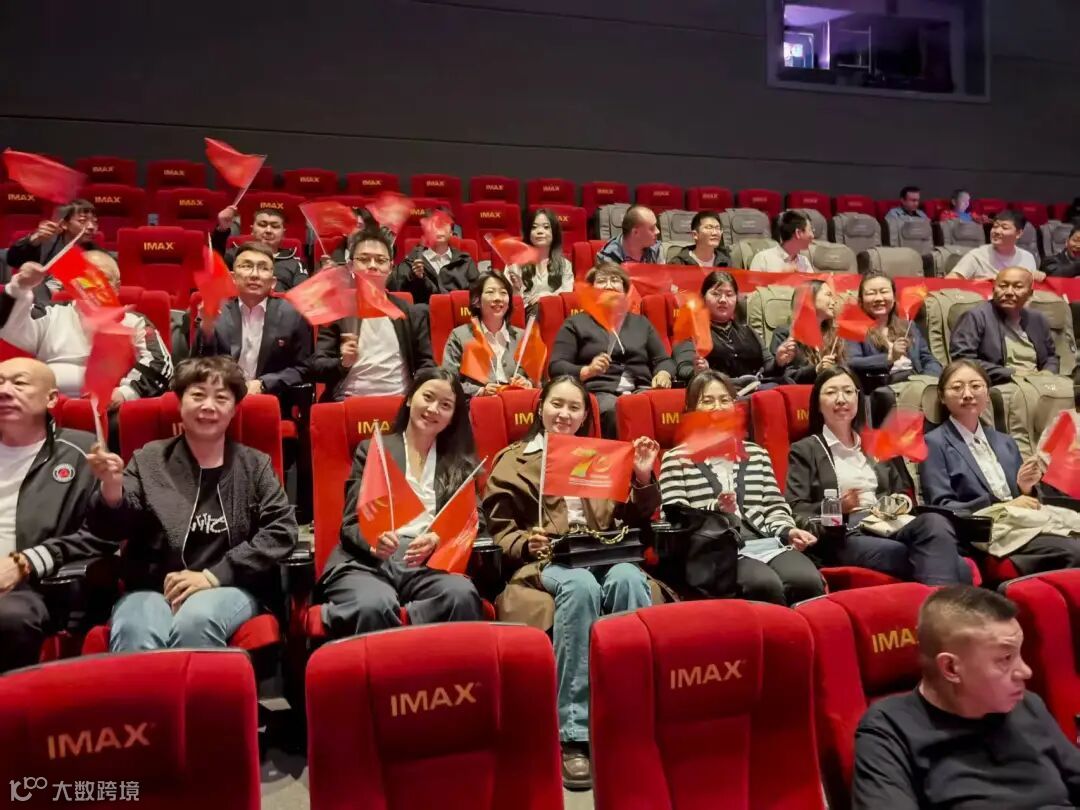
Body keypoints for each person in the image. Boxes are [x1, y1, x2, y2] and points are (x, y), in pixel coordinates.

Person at [483, 375, 661, 790]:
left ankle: (631, 720)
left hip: (605, 554)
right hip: (550, 562)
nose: (564, 414)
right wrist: (526, 542)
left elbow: (636, 518)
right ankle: (575, 734)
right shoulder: (513, 460)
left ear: (585, 416)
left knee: (629, 579)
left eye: (574, 408)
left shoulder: (603, 456)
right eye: (556, 405)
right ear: (540, 407)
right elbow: (500, 530)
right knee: (580, 585)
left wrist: (641, 477)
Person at [84, 357, 297, 651]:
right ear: (180, 402)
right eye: (197, 395)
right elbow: (112, 528)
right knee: (135, 628)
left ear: (234, 409)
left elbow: (282, 531)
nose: (208, 406)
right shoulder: (149, 459)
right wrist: (111, 488)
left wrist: (213, 576)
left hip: (229, 586)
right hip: (154, 589)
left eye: (221, 398)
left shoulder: (254, 465)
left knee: (196, 620)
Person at [853, 585, 1080, 809]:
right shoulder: (889, 728)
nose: (1026, 671)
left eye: (1019, 654)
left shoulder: (1027, 703)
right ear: (951, 668)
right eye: (1005, 658)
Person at [317, 368, 484, 637]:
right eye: (427, 397)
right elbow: (350, 524)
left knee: (461, 595)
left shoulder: (458, 463)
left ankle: (434, 665)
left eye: (445, 405)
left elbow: (475, 519)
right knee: (374, 605)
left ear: (453, 416)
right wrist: (374, 540)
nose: (433, 409)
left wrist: (438, 538)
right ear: (409, 399)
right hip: (367, 563)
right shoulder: (374, 449)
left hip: (426, 564)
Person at [786, 366, 971, 585]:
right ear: (818, 403)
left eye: (848, 391)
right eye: (831, 392)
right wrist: (837, 507)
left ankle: (939, 603)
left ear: (858, 398)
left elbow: (902, 492)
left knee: (934, 522)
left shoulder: (876, 442)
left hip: (888, 523)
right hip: (845, 534)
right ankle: (945, 604)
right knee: (954, 566)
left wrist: (898, 502)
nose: (841, 399)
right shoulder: (805, 450)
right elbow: (797, 509)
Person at [659, 371, 824, 604]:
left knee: (806, 580)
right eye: (707, 401)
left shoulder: (756, 453)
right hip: (717, 551)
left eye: (724, 400)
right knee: (764, 585)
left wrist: (788, 530)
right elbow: (674, 516)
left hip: (765, 541)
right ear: (691, 409)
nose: (717, 407)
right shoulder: (676, 459)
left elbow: (774, 505)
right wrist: (715, 508)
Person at [0, 358, 111, 673]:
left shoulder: (83, 452)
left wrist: (25, 562)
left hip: (30, 588)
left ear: (51, 398)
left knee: (9, 618)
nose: (4, 390)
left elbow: (100, 536)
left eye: (19, 383)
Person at [920, 359, 1080, 574]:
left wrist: (1025, 488)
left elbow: (1023, 499)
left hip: (1022, 523)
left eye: (976, 386)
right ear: (942, 396)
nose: (967, 394)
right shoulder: (933, 443)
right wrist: (1003, 506)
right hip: (986, 532)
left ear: (987, 394)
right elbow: (941, 505)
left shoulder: (1005, 441)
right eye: (957, 388)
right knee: (1074, 551)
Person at [0, 252, 173, 403]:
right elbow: (6, 324)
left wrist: (126, 393)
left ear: (116, 288)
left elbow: (161, 363)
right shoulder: (51, 313)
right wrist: (19, 286)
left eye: (102, 278)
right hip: (47, 405)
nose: (93, 284)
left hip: (109, 408)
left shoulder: (134, 322)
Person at [309, 227, 435, 402]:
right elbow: (316, 367)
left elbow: (426, 366)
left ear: (390, 267)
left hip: (399, 403)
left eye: (381, 260)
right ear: (351, 266)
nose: (373, 265)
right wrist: (342, 362)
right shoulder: (338, 312)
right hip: (348, 403)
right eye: (364, 259)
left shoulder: (410, 313)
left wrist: (416, 395)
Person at [549, 263, 674, 437]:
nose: (609, 285)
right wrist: (587, 370)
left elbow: (663, 360)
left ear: (624, 290)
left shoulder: (641, 323)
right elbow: (556, 366)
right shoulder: (576, 323)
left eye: (615, 280)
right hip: (600, 392)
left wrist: (663, 373)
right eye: (601, 281)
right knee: (616, 411)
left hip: (643, 390)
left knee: (668, 407)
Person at [194, 242, 312, 412]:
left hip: (273, 403)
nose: (255, 274)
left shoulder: (292, 315)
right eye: (247, 266)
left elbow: (303, 369)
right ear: (233, 278)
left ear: (273, 282)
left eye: (263, 268)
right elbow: (197, 365)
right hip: (220, 402)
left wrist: (264, 384)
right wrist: (206, 329)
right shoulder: (216, 312)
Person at [950, 267, 1058, 385]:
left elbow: (1051, 357)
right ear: (993, 289)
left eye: (1017, 287)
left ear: (1030, 293)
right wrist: (1012, 373)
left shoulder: (1037, 319)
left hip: (1040, 382)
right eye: (1003, 286)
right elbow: (964, 360)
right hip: (1001, 383)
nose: (1009, 292)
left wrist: (1048, 373)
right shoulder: (975, 317)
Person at [673, 271, 781, 388]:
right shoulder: (691, 331)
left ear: (736, 299)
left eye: (729, 295)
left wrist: (779, 360)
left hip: (757, 388)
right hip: (716, 391)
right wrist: (699, 371)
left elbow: (768, 365)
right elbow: (683, 369)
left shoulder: (748, 331)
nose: (723, 300)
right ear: (703, 298)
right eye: (716, 294)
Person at [845, 272, 941, 391]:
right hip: (881, 390)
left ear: (894, 297)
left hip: (916, 386)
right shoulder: (853, 330)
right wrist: (890, 357)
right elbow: (852, 362)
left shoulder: (908, 326)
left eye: (884, 292)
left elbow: (928, 359)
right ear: (861, 300)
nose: (879, 298)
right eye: (871, 293)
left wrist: (927, 381)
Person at [441, 272, 532, 396]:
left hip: (516, 403)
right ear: (477, 301)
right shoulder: (460, 336)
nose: (498, 298)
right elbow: (448, 383)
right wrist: (479, 391)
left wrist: (528, 383)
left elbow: (538, 379)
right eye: (490, 292)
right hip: (477, 405)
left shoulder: (523, 337)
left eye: (503, 293)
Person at [6, 199, 100, 299]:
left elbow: (93, 285)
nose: (91, 227)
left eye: (94, 222)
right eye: (82, 221)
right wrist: (34, 240)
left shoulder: (94, 252)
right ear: (64, 224)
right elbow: (12, 260)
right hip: (34, 300)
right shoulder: (44, 241)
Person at [387, 207, 479, 305]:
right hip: (424, 313)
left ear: (451, 232)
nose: (439, 228)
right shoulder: (412, 262)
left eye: (443, 223)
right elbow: (397, 294)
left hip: (458, 313)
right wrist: (414, 278)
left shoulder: (465, 262)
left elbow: (477, 296)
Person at [213, 205, 307, 291]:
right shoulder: (234, 255)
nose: (268, 230)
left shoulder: (295, 264)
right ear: (252, 229)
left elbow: (303, 295)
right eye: (262, 225)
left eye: (275, 226)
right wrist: (222, 229)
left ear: (283, 233)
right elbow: (212, 263)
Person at [769, 280, 844, 385]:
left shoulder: (834, 335)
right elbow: (785, 376)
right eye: (828, 295)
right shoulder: (785, 333)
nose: (834, 302)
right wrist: (816, 370)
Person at [503, 207, 574, 310]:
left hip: (554, 311)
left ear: (554, 232)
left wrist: (547, 297)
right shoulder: (514, 264)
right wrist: (516, 289)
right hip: (525, 313)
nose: (540, 231)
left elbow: (567, 296)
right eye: (534, 227)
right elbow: (508, 303)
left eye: (546, 227)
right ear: (528, 233)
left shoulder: (565, 265)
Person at [947, 210, 1041, 281]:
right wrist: (979, 283)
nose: (997, 231)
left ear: (1019, 233)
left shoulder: (1027, 258)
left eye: (1004, 228)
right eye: (995, 226)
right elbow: (949, 282)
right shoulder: (977, 256)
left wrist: (1037, 277)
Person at [749, 210, 814, 273]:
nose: (812, 236)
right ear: (798, 233)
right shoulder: (763, 259)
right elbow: (752, 281)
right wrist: (782, 275)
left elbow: (813, 280)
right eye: (810, 230)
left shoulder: (804, 261)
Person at [596, 204, 662, 264]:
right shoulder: (607, 258)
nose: (658, 231)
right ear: (635, 232)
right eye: (652, 228)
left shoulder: (656, 249)